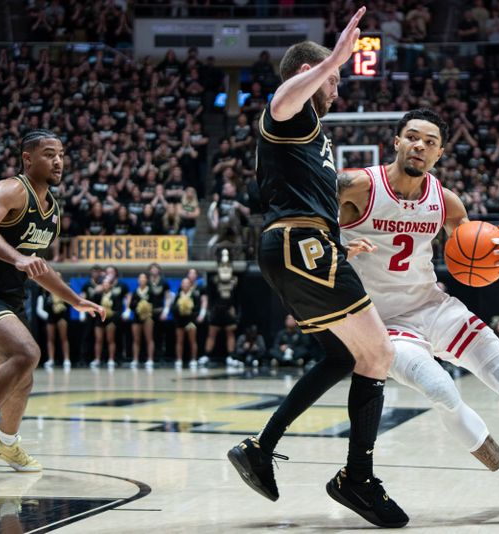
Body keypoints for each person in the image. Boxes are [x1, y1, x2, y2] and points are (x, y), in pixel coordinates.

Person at [339, 109, 499, 527]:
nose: (419, 146)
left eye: (429, 142)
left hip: (434, 307)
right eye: (412, 137)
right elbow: (305, 220)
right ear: (396, 142)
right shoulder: (357, 185)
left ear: (440, 153)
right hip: (386, 324)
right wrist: (336, 248)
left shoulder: (444, 200)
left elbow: (476, 247)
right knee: (441, 391)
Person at [226, 9, 408, 528]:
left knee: (342, 356)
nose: (338, 86)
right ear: (311, 74)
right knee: (380, 353)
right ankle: (358, 480)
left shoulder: (317, 138)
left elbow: (300, 196)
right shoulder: (291, 111)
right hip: (296, 244)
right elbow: (282, 97)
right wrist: (330, 58)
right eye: (334, 79)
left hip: (304, 245)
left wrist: (337, 242)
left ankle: (262, 447)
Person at [0, 129, 104, 472]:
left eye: (62, 154)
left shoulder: (52, 212)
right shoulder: (11, 189)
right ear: (28, 159)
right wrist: (17, 259)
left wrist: (75, 300)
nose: (58, 161)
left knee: (22, 376)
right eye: (49, 154)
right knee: (27, 353)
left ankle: (6, 444)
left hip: (10, 297)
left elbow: (38, 267)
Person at [201, 249, 238, 368]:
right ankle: (206, 355)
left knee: (230, 333)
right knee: (211, 333)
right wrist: (210, 309)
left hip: (228, 309)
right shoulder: (214, 279)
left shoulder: (235, 279)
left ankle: (231, 356)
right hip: (217, 309)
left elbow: (237, 295)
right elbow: (210, 295)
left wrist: (235, 308)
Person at [36, 281, 71, 370]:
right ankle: (51, 359)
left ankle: (66, 359)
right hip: (51, 317)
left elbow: (69, 303)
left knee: (64, 338)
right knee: (50, 338)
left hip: (62, 316)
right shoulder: (46, 291)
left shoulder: (63, 291)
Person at [125, 273, 155, 369]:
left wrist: (147, 308)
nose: (142, 280)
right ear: (138, 280)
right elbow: (130, 305)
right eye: (140, 278)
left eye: (144, 278)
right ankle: (135, 359)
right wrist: (138, 306)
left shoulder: (151, 291)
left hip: (148, 318)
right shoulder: (135, 292)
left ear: (147, 280)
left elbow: (154, 304)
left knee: (149, 339)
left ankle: (150, 359)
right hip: (137, 318)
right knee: (136, 339)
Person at [173, 277, 200, 370]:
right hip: (180, 321)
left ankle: (193, 359)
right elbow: (174, 309)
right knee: (179, 341)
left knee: (192, 341)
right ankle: (179, 360)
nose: (185, 285)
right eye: (183, 283)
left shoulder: (194, 295)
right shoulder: (178, 295)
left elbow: (197, 309)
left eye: (187, 283)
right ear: (181, 285)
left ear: (190, 285)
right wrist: (179, 309)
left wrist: (191, 314)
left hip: (191, 321)